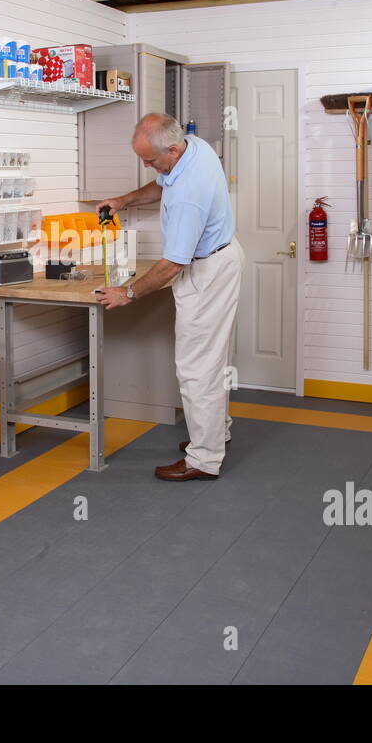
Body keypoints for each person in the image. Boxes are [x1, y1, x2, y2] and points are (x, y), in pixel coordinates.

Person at [95, 113, 244, 480]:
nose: (147, 166)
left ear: (173, 148)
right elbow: (163, 183)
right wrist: (123, 200)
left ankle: (204, 459)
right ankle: (214, 434)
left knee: (197, 368)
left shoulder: (188, 199)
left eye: (150, 160)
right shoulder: (197, 148)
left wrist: (127, 293)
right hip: (221, 257)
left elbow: (173, 263)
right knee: (212, 358)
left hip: (206, 271)